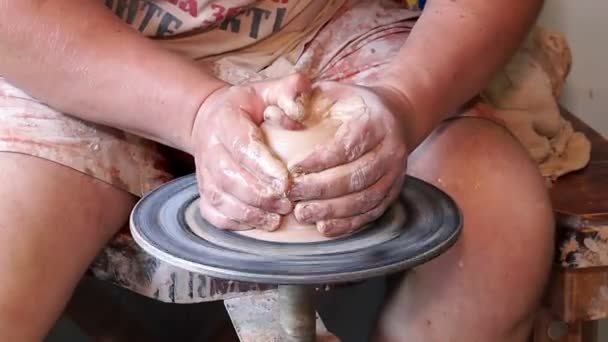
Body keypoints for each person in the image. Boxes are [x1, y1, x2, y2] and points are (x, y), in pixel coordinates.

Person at [0, 0, 554, 341]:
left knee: (499, 225)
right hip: (75, 51)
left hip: (319, 26)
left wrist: (405, 101)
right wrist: (196, 111)